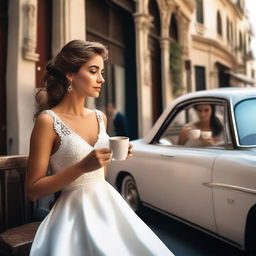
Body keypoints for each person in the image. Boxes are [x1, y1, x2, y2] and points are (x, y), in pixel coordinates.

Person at [27, 40, 174, 256]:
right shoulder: (47, 121)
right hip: (72, 215)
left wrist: (110, 157)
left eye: (101, 72)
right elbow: (32, 191)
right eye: (93, 71)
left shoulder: (100, 117)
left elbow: (100, 175)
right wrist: (82, 167)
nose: (101, 79)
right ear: (70, 74)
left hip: (109, 205)